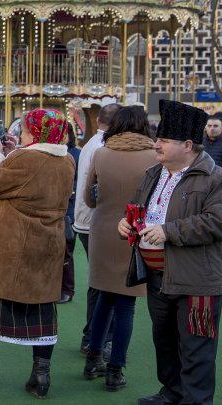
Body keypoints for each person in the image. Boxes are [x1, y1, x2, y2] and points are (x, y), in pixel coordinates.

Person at [118, 100, 222, 405]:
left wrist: (169, 231)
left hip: (196, 280)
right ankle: (172, 392)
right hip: (157, 277)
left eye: (163, 140)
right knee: (164, 343)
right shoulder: (154, 173)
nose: (156, 144)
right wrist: (127, 223)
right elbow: (138, 207)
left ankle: (195, 400)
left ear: (187, 145)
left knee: (196, 350)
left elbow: (216, 222)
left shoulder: (214, 178)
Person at [0, 109, 75, 399]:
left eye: (28, 129)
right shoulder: (66, 159)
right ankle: (41, 375)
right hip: (48, 245)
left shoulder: (25, 158)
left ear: (36, 132)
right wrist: (13, 152)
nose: (24, 132)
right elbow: (28, 182)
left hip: (12, 244)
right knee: (42, 310)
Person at [82, 106, 157, 391]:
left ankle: (93, 358)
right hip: (136, 234)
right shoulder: (155, 158)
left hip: (103, 232)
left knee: (105, 298)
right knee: (126, 305)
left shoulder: (102, 153)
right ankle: (115, 369)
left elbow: (89, 198)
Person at [74, 102, 121, 356]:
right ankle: (97, 336)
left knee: (99, 281)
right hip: (95, 221)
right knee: (105, 283)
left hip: (87, 219)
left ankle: (93, 334)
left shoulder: (93, 143)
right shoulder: (104, 146)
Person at [59, 127, 80, 304]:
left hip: (69, 210)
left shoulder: (75, 154)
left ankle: (67, 288)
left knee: (66, 252)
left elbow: (79, 183)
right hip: (55, 209)